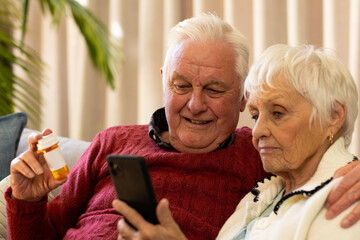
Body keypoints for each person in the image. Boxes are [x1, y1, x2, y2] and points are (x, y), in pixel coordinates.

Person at [5, 14, 360, 240]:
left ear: (241, 97)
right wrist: (27, 200)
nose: (195, 104)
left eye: (214, 89)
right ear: (164, 83)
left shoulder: (259, 151)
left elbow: (320, 162)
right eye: (181, 85)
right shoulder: (111, 142)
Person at [113, 44, 360, 240]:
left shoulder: (346, 199)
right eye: (255, 116)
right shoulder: (264, 194)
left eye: (278, 113)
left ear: (334, 116)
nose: (257, 132)